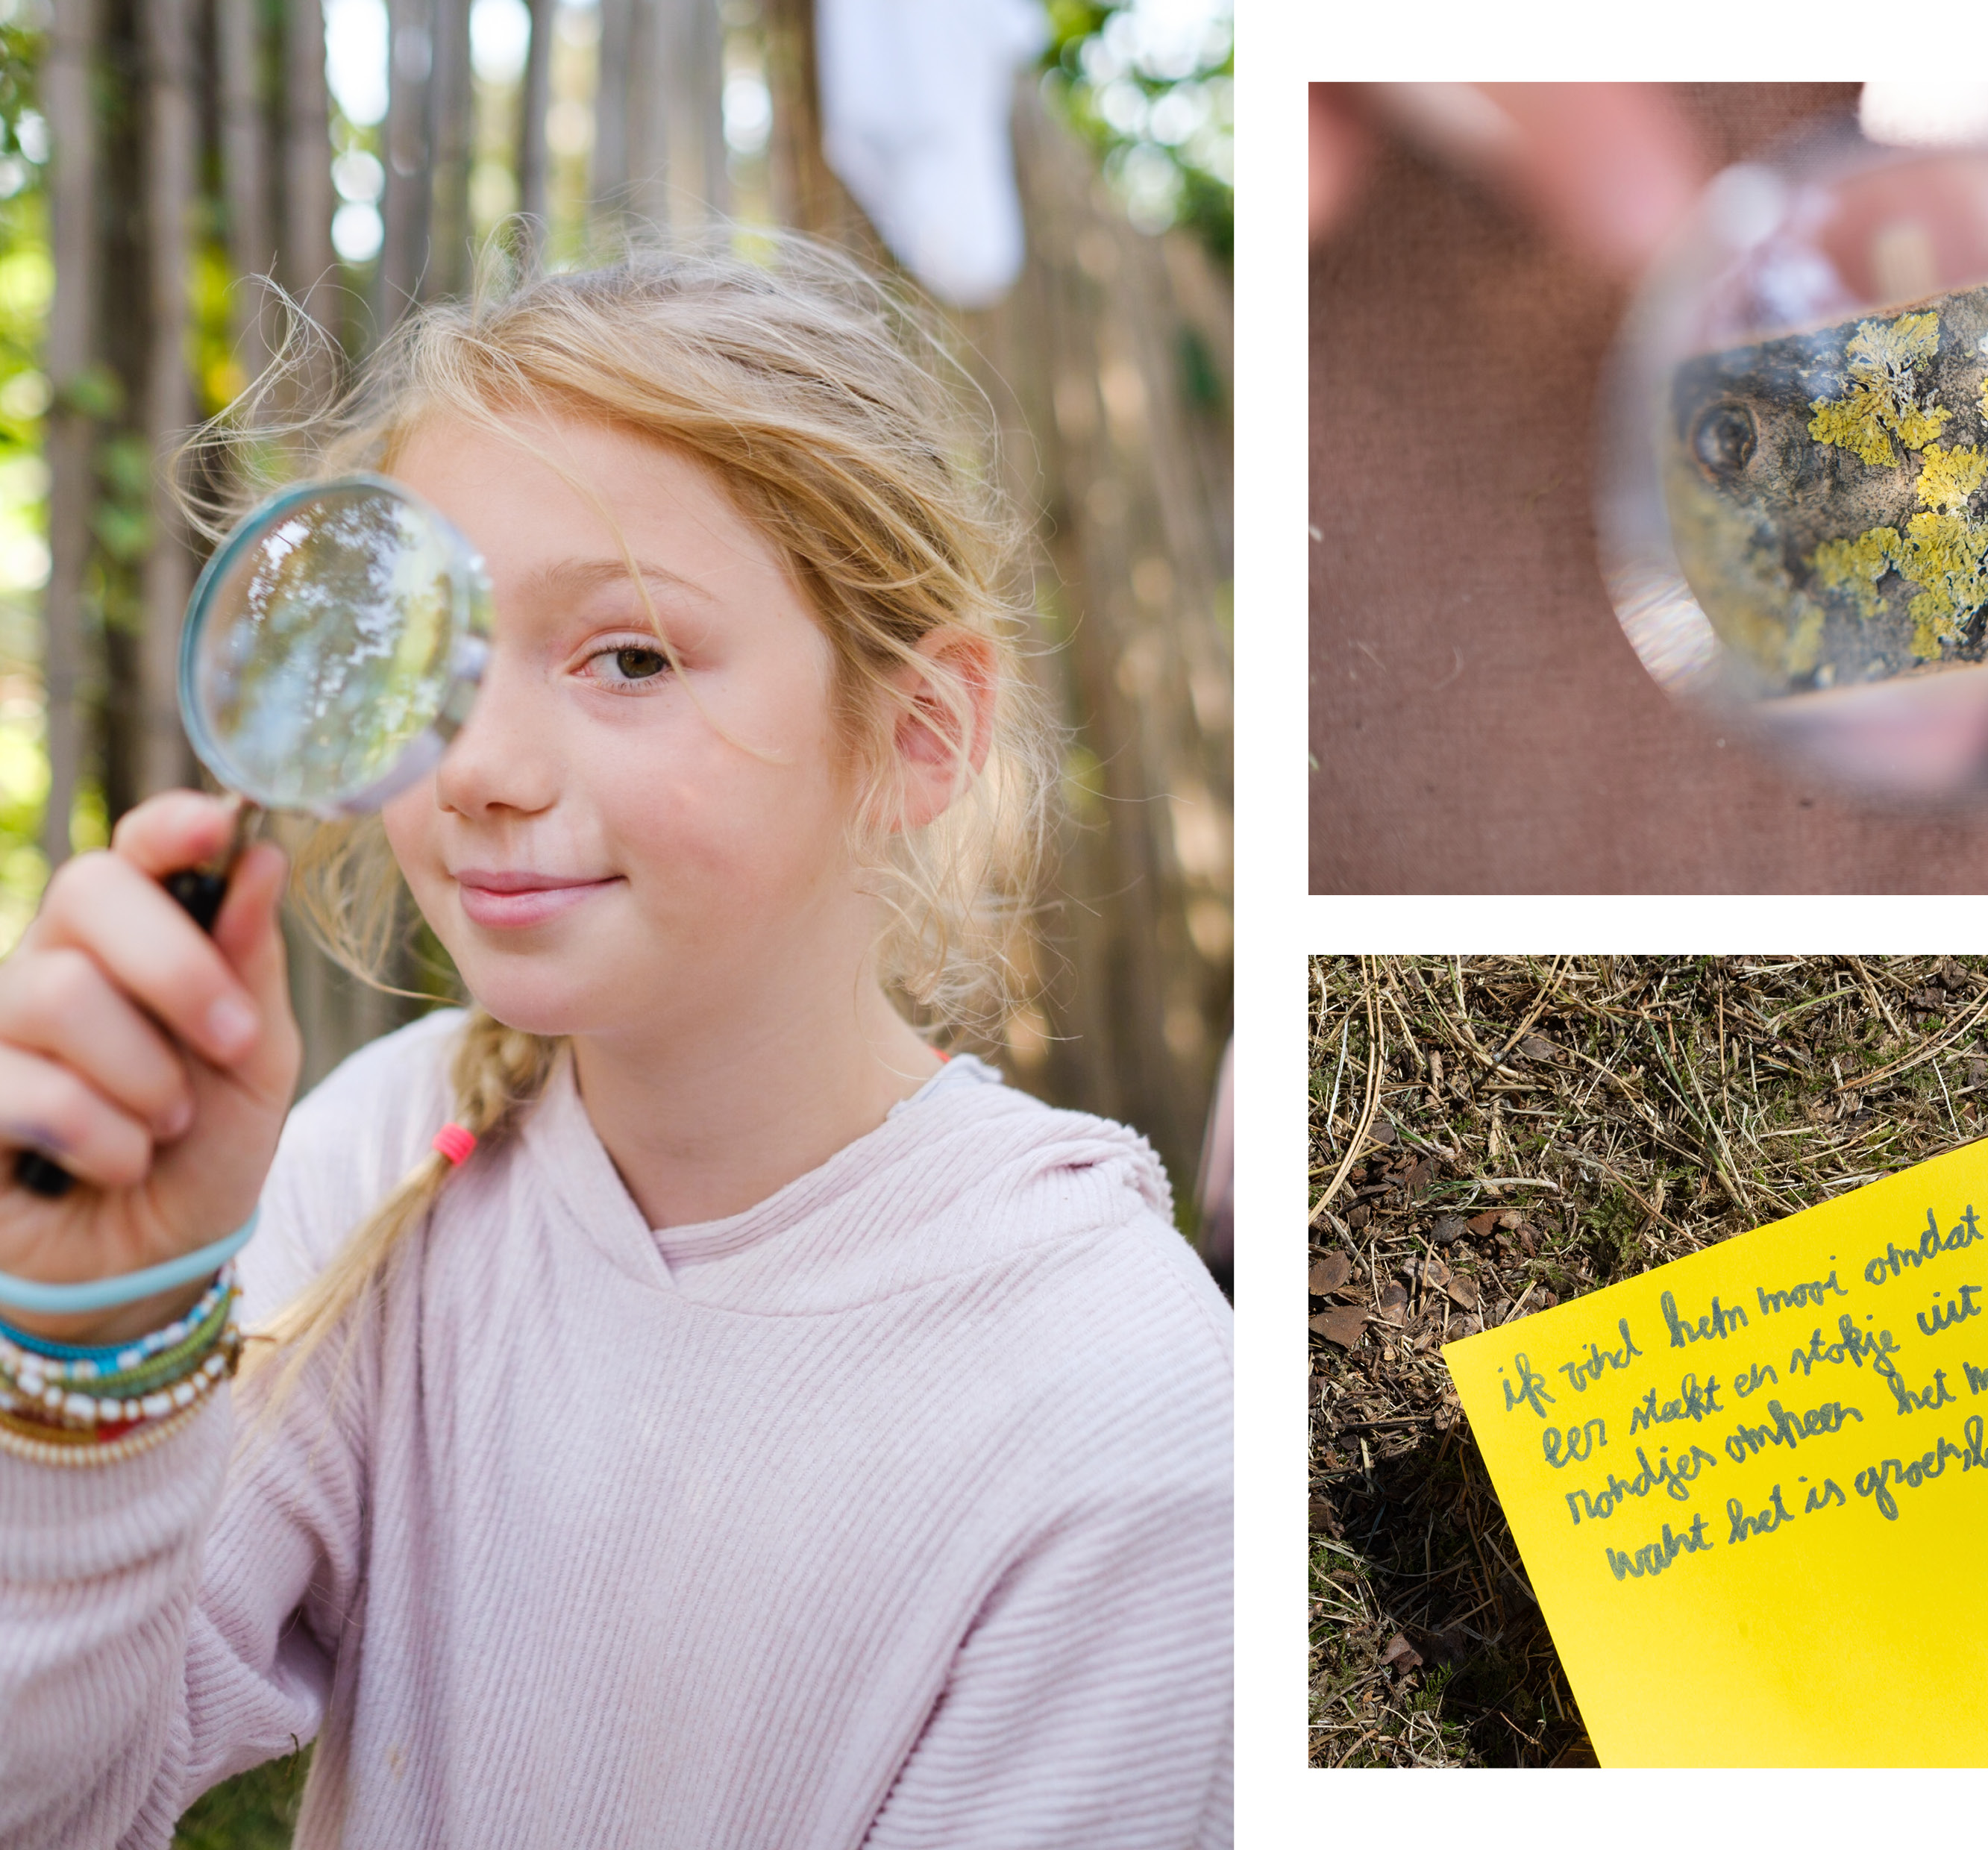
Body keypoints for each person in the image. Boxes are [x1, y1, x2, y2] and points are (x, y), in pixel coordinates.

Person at [0, 236, 1232, 1846]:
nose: (478, 768)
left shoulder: (1118, 1407)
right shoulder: (394, 1145)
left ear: (918, 731)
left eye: (630, 658)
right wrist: (96, 1341)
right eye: (433, 666)